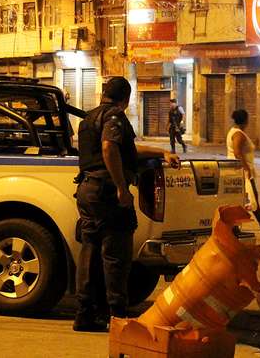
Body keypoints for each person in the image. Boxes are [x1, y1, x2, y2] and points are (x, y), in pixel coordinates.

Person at [73, 76, 180, 332]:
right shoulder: (114, 117)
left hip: (87, 191)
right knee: (116, 256)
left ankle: (85, 313)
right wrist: (122, 188)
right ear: (126, 99)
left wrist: (161, 152)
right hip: (107, 193)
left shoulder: (89, 119)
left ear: (103, 94)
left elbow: (127, 149)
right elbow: (110, 148)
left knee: (89, 252)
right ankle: (117, 316)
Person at [227, 109, 260, 233]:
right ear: (245, 120)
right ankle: (259, 224)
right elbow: (237, 153)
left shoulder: (234, 132)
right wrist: (246, 168)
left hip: (236, 169)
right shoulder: (238, 134)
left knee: (248, 197)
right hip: (241, 170)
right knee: (250, 197)